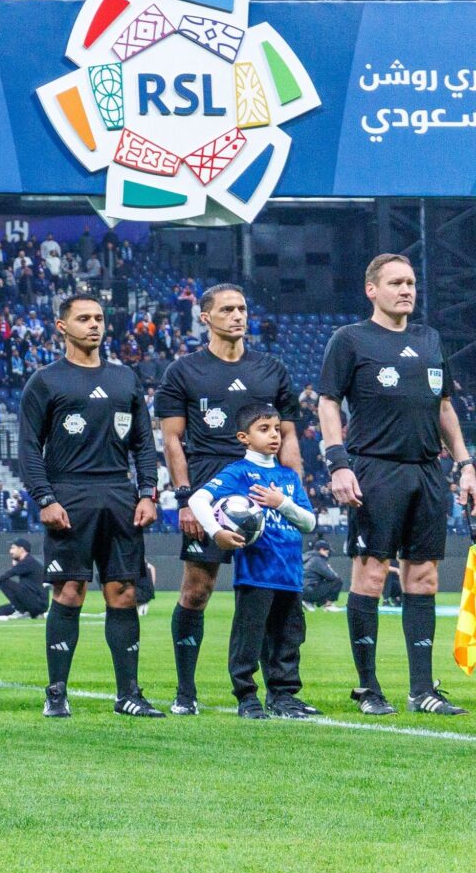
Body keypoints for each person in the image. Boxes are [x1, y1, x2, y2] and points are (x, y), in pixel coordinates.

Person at [317, 254, 476, 716]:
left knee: (423, 577)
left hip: (426, 471)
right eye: (395, 283)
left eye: (410, 283)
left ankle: (422, 689)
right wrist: (337, 463)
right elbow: (328, 403)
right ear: (372, 289)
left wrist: (465, 463)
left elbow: (444, 407)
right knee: (369, 573)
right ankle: (368, 688)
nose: (406, 290)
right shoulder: (349, 340)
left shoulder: (429, 339)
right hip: (374, 469)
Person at [156, 283, 301, 715]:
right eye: (227, 309)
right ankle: (186, 692)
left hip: (265, 491)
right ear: (206, 318)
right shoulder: (184, 371)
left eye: (242, 308)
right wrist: (184, 499)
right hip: (211, 490)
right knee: (197, 589)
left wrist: (295, 490)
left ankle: (278, 691)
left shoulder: (271, 369)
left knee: (270, 590)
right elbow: (172, 440)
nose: (238, 316)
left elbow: (288, 435)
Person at [18, 293, 164, 719]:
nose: (94, 325)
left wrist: (147, 491)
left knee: (124, 592)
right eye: (84, 319)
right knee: (70, 590)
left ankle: (129, 694)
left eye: (99, 317)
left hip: (119, 495)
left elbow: (143, 442)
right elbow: (29, 447)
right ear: (62, 327)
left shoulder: (125, 379)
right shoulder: (45, 381)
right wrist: (44, 498)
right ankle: (57, 693)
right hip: (69, 494)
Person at [187, 405, 323, 719]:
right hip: (256, 573)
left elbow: (309, 523)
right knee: (249, 638)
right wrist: (217, 531)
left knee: (289, 638)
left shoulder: (288, 477)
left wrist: (282, 503)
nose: (274, 434)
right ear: (244, 437)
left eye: (277, 428)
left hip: (290, 573)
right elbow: (198, 499)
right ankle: (247, 697)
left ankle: (283, 696)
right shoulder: (239, 473)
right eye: (264, 429)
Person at [0, 539, 48, 618]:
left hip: (37, 603)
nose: (11, 551)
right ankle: (28, 612)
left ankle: (23, 612)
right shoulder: (31, 561)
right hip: (37, 602)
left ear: (21, 549)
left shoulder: (27, 562)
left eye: (13, 548)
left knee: (4, 582)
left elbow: (6, 575)